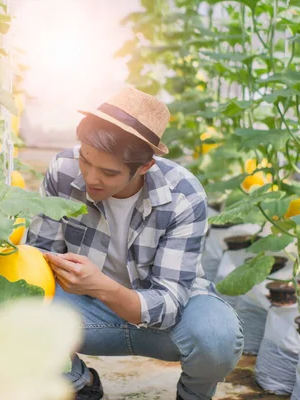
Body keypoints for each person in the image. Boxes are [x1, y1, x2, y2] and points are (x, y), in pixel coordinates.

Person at [26, 87, 243, 400]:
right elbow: (36, 260)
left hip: (168, 322)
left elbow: (169, 304)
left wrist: (102, 286)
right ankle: (80, 385)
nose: (91, 178)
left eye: (108, 172)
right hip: (86, 311)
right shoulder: (63, 170)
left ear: (145, 167)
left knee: (217, 337)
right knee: (12, 304)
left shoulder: (183, 194)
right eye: (86, 160)